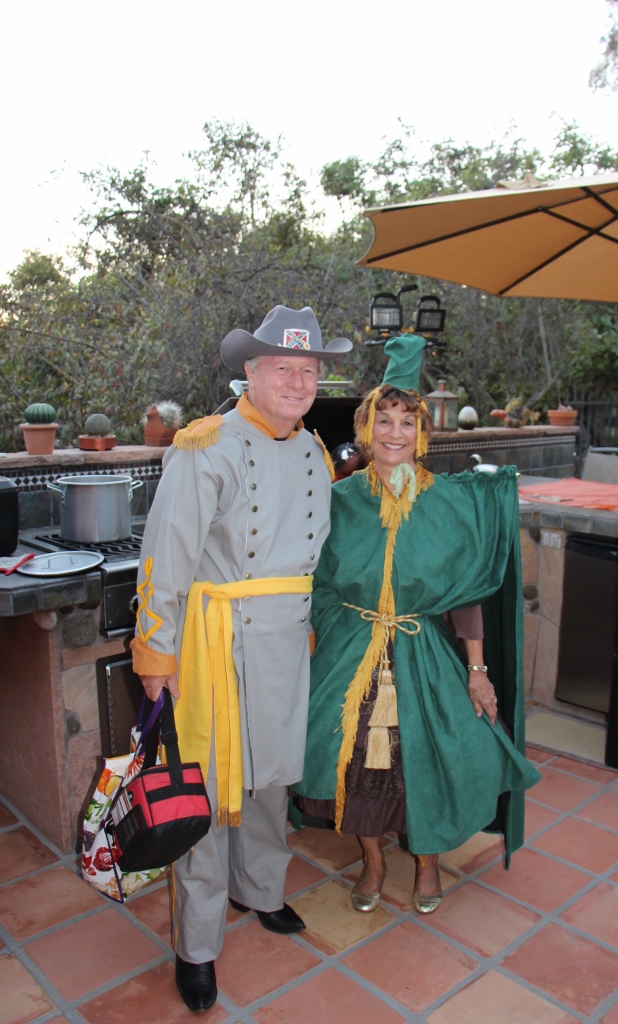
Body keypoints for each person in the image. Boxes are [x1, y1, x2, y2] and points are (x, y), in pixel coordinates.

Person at [131, 305, 351, 1011]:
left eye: (308, 370)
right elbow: (165, 557)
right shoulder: (207, 446)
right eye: (282, 367)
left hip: (286, 642)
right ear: (249, 374)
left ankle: (258, 890)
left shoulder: (314, 450)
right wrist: (154, 653)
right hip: (215, 646)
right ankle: (196, 946)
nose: (296, 380)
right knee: (209, 790)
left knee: (270, 781)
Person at [293, 334, 541, 914]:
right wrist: (326, 642)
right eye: (385, 419)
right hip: (350, 650)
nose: (395, 433)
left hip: (420, 650)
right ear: (366, 427)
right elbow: (321, 581)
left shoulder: (446, 502)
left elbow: (465, 596)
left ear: (422, 431)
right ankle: (375, 862)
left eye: (408, 421)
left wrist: (477, 671)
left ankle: (428, 867)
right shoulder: (341, 499)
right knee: (351, 765)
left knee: (422, 761)